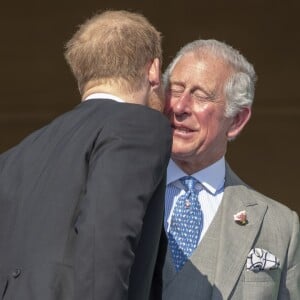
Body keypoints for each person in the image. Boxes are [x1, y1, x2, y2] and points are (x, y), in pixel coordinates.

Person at [0, 10, 172, 300]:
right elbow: (104, 242)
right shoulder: (138, 125)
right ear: (153, 70)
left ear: (83, 74)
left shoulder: (15, 156)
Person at [159, 39, 300, 299]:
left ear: (236, 120)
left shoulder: (280, 227)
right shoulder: (119, 195)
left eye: (201, 95)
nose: (180, 107)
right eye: (176, 90)